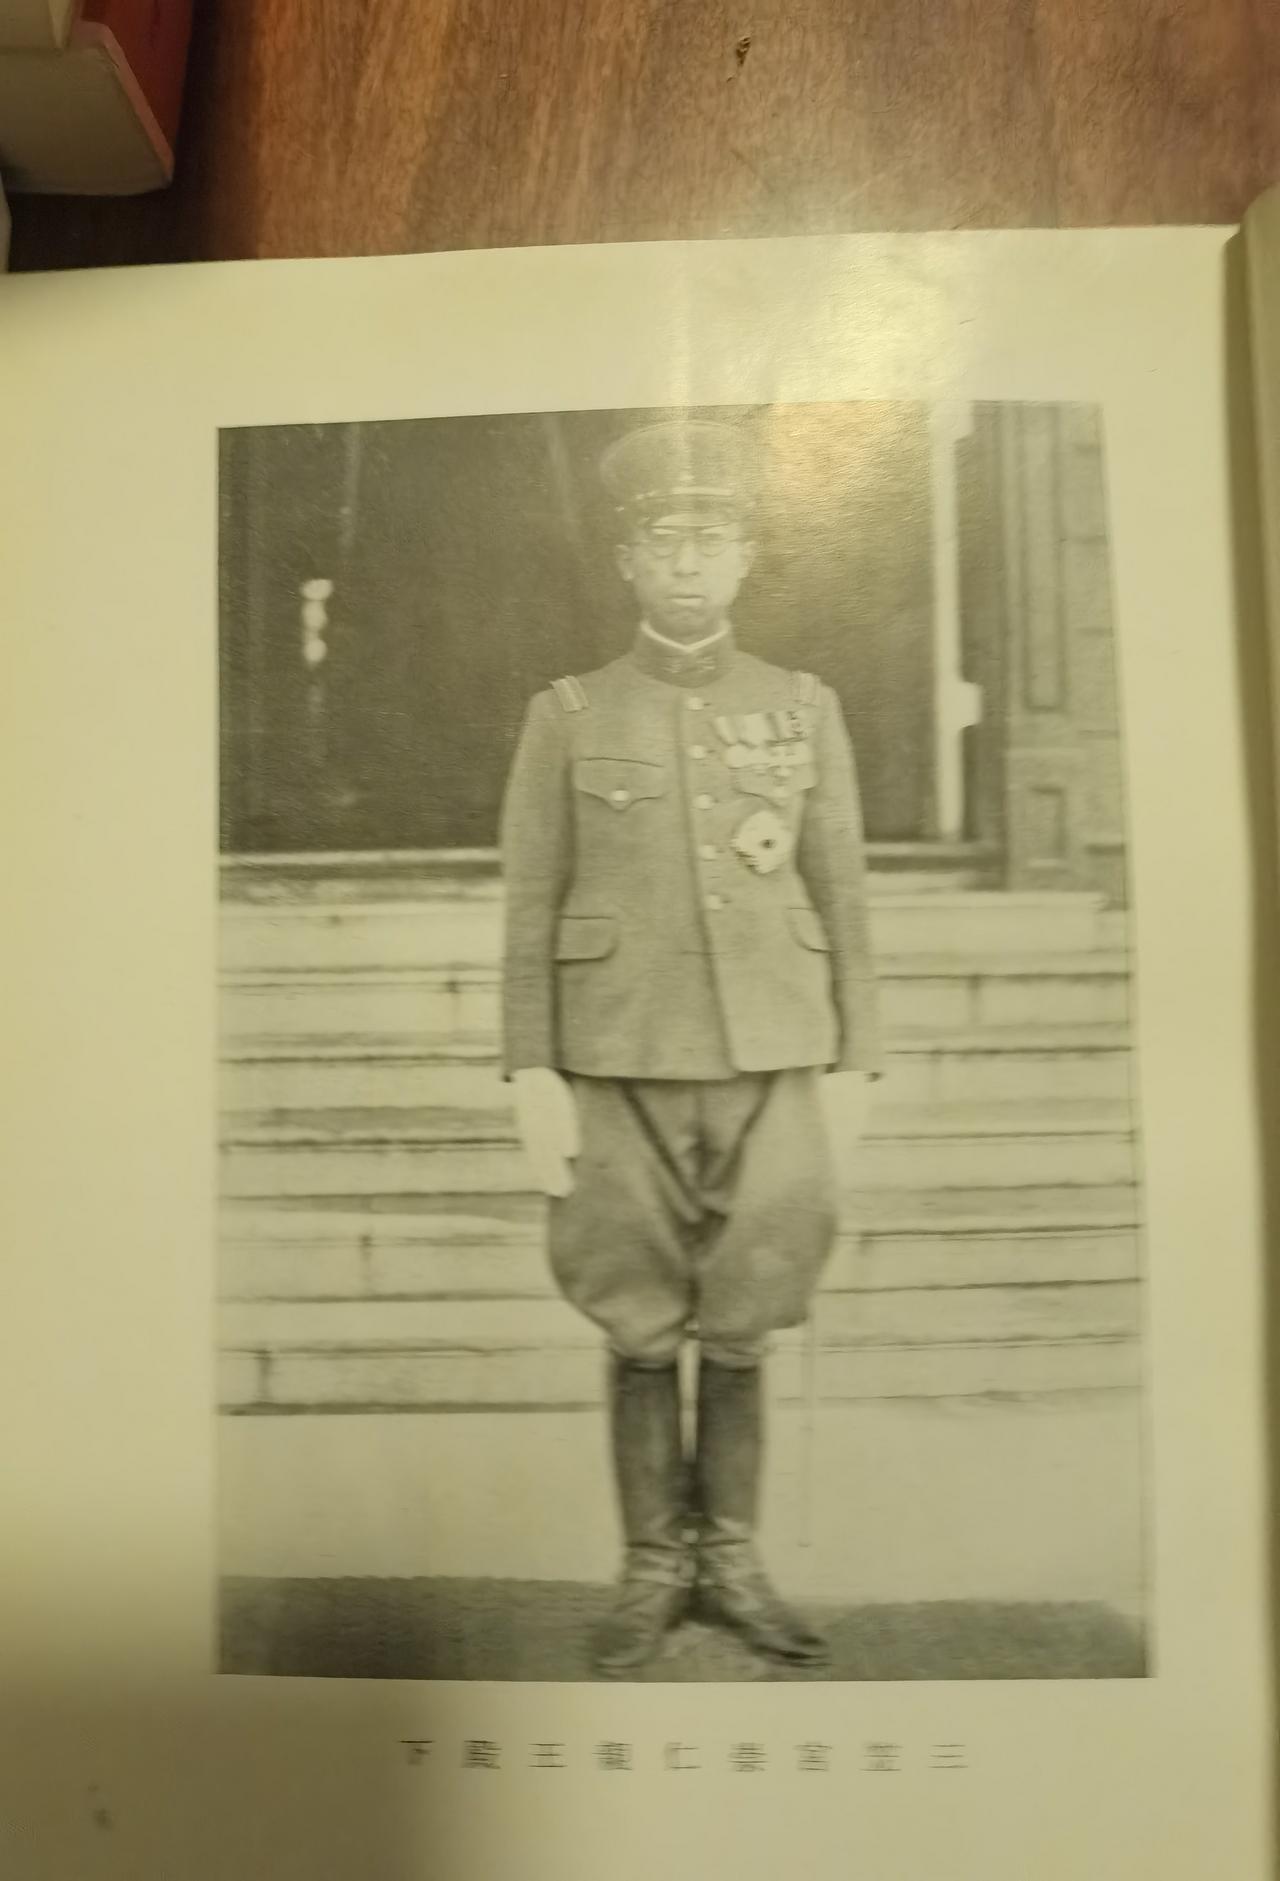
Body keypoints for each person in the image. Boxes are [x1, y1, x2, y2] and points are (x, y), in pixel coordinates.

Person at [499, 416, 882, 1677]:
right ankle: (650, 1569)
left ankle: (733, 1561)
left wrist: (859, 1058)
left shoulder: (800, 706)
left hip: (772, 1048)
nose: (685, 564)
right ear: (626, 561)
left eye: (710, 541)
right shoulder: (565, 713)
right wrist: (529, 1067)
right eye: (662, 541)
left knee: (745, 1316)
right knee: (633, 1320)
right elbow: (530, 900)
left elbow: (841, 890)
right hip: (616, 1052)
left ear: (746, 557)